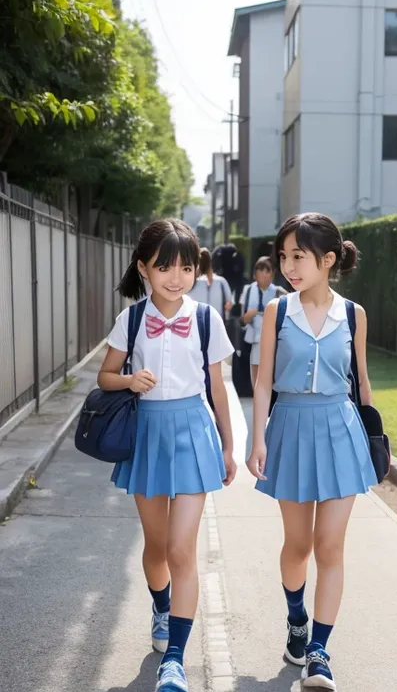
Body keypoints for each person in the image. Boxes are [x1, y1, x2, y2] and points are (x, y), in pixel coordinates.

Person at [98, 219, 237, 692]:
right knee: (156, 548)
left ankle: (175, 659)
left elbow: (218, 387)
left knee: (181, 549)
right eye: (164, 267)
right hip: (148, 436)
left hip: (194, 433)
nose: (176, 277)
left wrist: (228, 445)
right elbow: (104, 376)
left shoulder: (205, 318)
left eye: (185, 266)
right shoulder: (131, 319)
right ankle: (162, 606)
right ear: (143, 268)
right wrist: (129, 380)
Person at [247, 213, 377, 691]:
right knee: (298, 546)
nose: (288, 266)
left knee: (330, 547)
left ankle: (319, 653)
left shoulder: (355, 315)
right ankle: (297, 619)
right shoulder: (277, 312)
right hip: (291, 429)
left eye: (297, 256)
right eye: (283, 256)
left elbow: (361, 381)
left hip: (341, 431)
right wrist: (257, 438)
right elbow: (263, 382)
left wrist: (375, 437)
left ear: (327, 259)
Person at [240, 256, 284, 389]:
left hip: (273, 340)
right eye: (261, 274)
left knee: (272, 372)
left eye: (267, 274)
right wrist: (250, 314)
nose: (264, 278)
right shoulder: (248, 290)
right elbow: (243, 320)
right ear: (255, 275)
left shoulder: (278, 292)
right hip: (254, 339)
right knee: (256, 373)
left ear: (272, 275)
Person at [188, 247, 233, 319]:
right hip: (215, 323)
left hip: (195, 324)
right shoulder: (221, 282)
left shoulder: (190, 282)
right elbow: (229, 305)